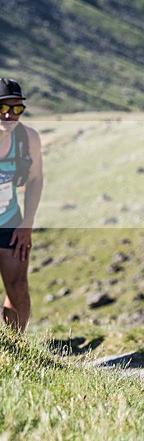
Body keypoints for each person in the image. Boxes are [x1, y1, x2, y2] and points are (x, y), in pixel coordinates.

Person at [0, 78, 43, 332]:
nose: (8, 115)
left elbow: (36, 179)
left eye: (17, 109)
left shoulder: (28, 138)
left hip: (10, 221)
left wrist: (27, 224)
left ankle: (16, 347)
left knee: (18, 287)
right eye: (2, 108)